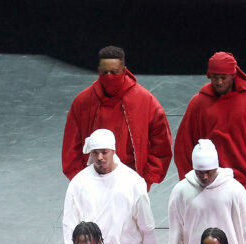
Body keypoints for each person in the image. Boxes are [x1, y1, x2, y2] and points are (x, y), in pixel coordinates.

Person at [60, 128, 157, 244]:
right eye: (95, 152)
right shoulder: (79, 183)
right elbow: (69, 224)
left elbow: (146, 224)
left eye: (105, 152)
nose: (100, 157)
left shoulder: (133, 182)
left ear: (114, 151)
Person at [174, 51, 246, 221]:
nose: (219, 82)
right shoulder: (198, 103)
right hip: (207, 184)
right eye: (214, 77)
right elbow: (184, 145)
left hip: (244, 182)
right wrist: (191, 182)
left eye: (223, 77)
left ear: (233, 75)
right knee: (208, 239)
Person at [61, 45, 172, 187]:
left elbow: (161, 141)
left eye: (114, 73)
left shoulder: (145, 100)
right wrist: (80, 179)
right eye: (104, 72)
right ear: (98, 71)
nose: (109, 77)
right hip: (93, 181)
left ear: (124, 70)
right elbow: (71, 145)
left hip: (132, 180)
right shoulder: (83, 101)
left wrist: (148, 177)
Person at [167, 139, 246, 244]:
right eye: (200, 172)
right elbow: (176, 233)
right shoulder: (181, 191)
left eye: (208, 172)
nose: (204, 176)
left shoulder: (234, 190)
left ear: (216, 167)